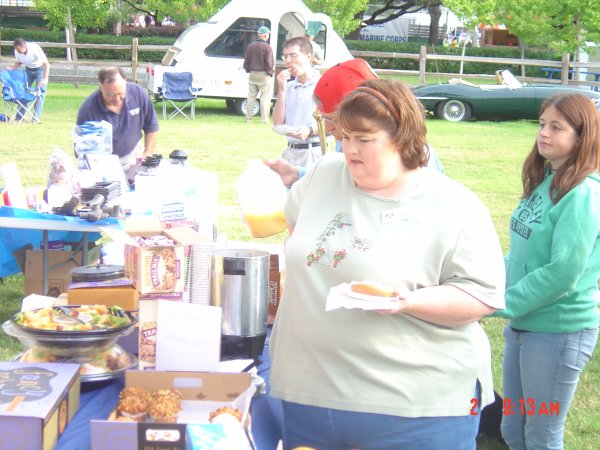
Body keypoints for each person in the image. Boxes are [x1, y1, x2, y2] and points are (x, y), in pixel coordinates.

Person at [269, 79, 506, 450]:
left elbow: (481, 296)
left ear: (402, 137)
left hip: (416, 414)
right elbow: (296, 231)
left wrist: (408, 302)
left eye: (364, 139)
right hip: (308, 398)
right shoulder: (321, 175)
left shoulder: (454, 205)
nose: (350, 149)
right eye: (344, 136)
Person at [495, 93, 600, 450]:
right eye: (542, 124)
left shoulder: (582, 194)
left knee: (541, 435)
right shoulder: (546, 182)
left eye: (557, 127)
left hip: (558, 332)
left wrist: (500, 303)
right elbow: (521, 255)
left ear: (581, 136)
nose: (544, 133)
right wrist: (485, 288)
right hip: (522, 326)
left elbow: (563, 273)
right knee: (513, 427)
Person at [265, 58, 444, 186]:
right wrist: (296, 174)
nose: (328, 128)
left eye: (332, 119)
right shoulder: (348, 142)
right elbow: (343, 174)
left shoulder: (419, 163)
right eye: (322, 118)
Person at [76, 66, 159, 182]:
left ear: (125, 83)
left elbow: (152, 126)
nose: (116, 98)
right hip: (103, 164)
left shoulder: (138, 94)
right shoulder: (88, 110)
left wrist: (147, 153)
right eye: (110, 94)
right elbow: (82, 149)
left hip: (134, 158)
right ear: (100, 87)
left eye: (120, 93)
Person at [273, 37, 322, 167]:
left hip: (314, 152)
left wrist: (310, 131)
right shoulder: (289, 87)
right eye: (285, 57)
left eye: (293, 56)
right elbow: (277, 123)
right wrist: (282, 90)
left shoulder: (322, 85)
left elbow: (335, 124)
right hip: (290, 151)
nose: (288, 61)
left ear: (309, 57)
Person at [8, 38, 50, 123]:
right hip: (28, 70)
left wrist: (45, 79)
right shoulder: (17, 51)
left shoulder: (35, 49)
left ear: (24, 46)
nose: (18, 52)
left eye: (19, 50)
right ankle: (19, 117)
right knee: (23, 91)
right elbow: (19, 62)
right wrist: (12, 68)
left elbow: (47, 64)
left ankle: (35, 119)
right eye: (17, 50)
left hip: (40, 70)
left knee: (40, 93)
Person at [243, 26, 274, 124]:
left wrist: (249, 70)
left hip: (252, 74)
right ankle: (264, 120)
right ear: (265, 35)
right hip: (263, 74)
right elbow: (269, 63)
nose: (268, 36)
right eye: (268, 34)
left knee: (251, 97)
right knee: (264, 97)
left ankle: (248, 119)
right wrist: (270, 73)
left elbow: (246, 61)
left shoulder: (251, 46)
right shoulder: (267, 47)